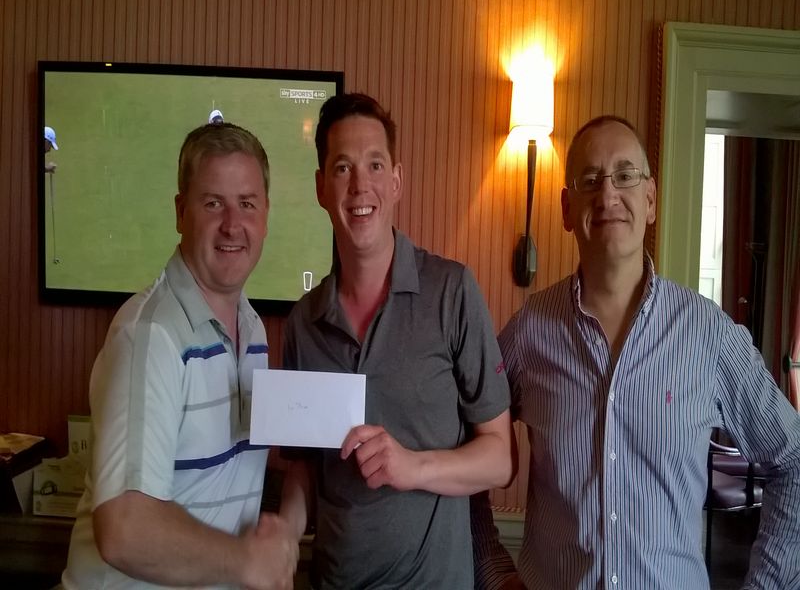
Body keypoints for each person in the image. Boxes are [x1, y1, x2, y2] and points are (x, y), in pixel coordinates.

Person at [472, 115, 800, 589]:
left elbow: (792, 460)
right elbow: (465, 446)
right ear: (567, 209)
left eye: (625, 176)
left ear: (649, 200)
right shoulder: (528, 334)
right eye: (590, 180)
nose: (608, 196)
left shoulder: (708, 336)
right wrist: (494, 570)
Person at [278, 93, 516, 589]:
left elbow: (499, 458)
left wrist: (412, 466)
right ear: (322, 187)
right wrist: (283, 530)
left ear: (397, 181)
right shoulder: (304, 322)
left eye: (375, 164)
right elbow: (301, 468)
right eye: (342, 168)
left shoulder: (452, 291)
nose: (360, 184)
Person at [62, 123, 299, 589]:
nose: (232, 224)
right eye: (213, 203)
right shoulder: (149, 336)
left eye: (246, 204)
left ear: (266, 215)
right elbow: (124, 528)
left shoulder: (252, 330)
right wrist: (246, 560)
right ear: (180, 212)